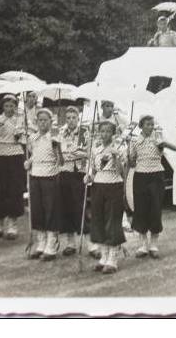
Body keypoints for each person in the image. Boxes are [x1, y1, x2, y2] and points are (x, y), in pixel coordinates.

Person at [129, 115, 176, 259]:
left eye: (152, 124)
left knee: (155, 209)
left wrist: (164, 144)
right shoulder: (135, 141)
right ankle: (143, 245)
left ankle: (154, 244)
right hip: (140, 177)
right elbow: (132, 163)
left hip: (156, 177)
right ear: (141, 126)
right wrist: (129, 157)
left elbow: (175, 148)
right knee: (141, 209)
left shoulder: (158, 139)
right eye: (148, 124)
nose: (150, 127)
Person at [85, 122, 127, 274]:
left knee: (112, 220)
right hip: (98, 186)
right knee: (99, 220)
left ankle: (113, 259)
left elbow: (121, 171)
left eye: (108, 131)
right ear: (99, 133)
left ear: (113, 133)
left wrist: (115, 157)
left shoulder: (120, 148)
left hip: (114, 186)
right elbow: (93, 169)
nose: (105, 134)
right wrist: (88, 176)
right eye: (102, 131)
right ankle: (103, 256)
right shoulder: (95, 150)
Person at [56, 106, 97, 257]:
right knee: (65, 208)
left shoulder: (84, 132)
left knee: (80, 208)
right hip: (64, 172)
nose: (71, 120)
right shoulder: (61, 132)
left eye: (74, 117)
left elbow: (88, 153)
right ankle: (70, 243)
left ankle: (91, 245)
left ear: (78, 118)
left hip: (78, 173)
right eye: (68, 118)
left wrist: (72, 154)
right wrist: (72, 153)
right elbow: (60, 153)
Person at [24, 108, 64, 260]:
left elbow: (61, 162)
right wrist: (28, 162)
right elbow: (34, 155)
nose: (42, 123)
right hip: (35, 176)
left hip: (50, 177)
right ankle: (41, 243)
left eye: (45, 120)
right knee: (37, 210)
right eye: (40, 120)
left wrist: (58, 149)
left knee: (50, 210)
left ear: (50, 122)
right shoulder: (32, 138)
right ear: (36, 122)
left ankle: (51, 244)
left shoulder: (55, 139)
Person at [0, 94, 26, 240]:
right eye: (6, 106)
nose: (9, 108)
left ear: (15, 106)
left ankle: (12, 224)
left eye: (12, 106)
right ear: (2, 106)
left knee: (14, 189)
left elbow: (27, 138)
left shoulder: (21, 120)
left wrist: (20, 135)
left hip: (16, 155)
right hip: (1, 156)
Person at [97, 100, 132, 232]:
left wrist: (123, 134)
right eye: (106, 106)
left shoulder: (119, 119)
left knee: (119, 188)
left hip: (117, 154)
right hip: (102, 156)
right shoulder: (97, 119)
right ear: (102, 107)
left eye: (111, 106)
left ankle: (122, 220)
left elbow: (127, 133)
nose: (109, 108)